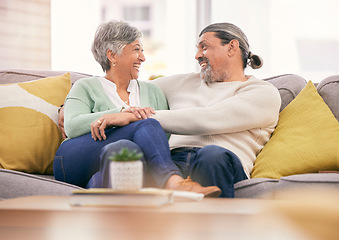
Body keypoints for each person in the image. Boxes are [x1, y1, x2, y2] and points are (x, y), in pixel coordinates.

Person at [53, 20, 221, 197]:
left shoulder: (153, 91)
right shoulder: (85, 86)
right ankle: (173, 181)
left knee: (124, 149)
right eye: (136, 49)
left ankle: (99, 192)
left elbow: (162, 140)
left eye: (142, 50)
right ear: (112, 55)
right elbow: (71, 126)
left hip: (123, 164)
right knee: (147, 124)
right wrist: (120, 115)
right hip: (75, 159)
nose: (143, 57)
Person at [150, 22, 281, 198]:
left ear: (232, 47)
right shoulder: (181, 83)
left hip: (221, 161)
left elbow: (208, 119)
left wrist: (145, 118)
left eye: (204, 47)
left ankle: (217, 225)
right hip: (171, 163)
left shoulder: (263, 92)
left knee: (211, 155)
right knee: (127, 156)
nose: (197, 56)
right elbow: (131, 90)